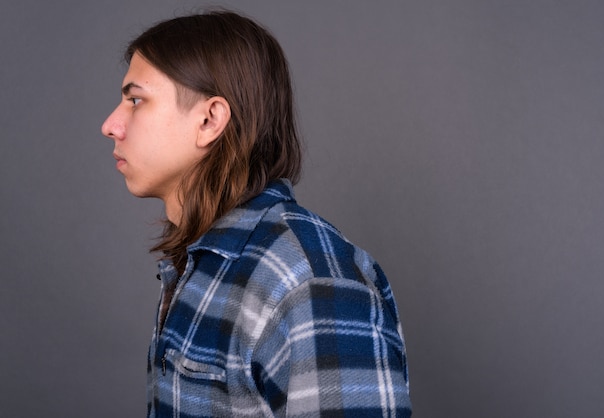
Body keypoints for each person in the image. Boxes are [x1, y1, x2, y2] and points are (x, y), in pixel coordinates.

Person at [101, 10, 411, 417]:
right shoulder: (201, 265)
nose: (111, 124)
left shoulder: (309, 282)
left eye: (136, 100)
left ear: (210, 120)